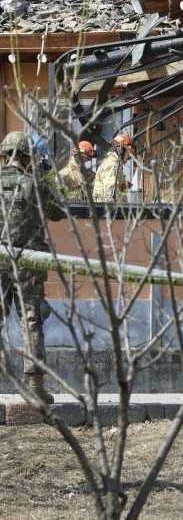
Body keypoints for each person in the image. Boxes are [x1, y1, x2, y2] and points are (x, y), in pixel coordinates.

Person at [0, 131, 65, 403]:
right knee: (31, 319)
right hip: (28, 262)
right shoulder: (32, 184)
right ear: (27, 157)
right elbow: (58, 212)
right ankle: (35, 386)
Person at [93, 133, 134, 203]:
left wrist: (123, 185)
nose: (128, 157)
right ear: (120, 150)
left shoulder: (113, 163)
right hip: (109, 210)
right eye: (128, 153)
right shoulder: (113, 165)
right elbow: (110, 194)